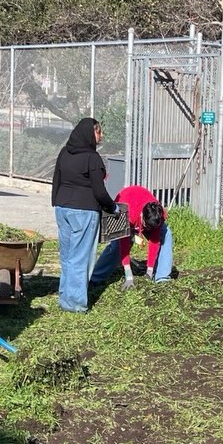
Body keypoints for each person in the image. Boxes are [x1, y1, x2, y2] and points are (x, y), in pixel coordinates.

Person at [52, 117, 117, 313]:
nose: (101, 135)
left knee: (67, 255)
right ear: (90, 133)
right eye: (99, 132)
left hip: (63, 209)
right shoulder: (92, 158)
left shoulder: (64, 153)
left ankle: (65, 296)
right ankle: (76, 303)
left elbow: (56, 179)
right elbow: (99, 191)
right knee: (81, 257)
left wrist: (56, 202)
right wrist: (112, 207)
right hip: (84, 211)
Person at [90, 185, 173, 290]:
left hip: (145, 215)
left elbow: (154, 242)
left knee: (166, 234)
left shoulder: (158, 216)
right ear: (142, 215)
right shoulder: (129, 214)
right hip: (122, 210)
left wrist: (149, 271)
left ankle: (162, 278)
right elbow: (123, 244)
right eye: (146, 226)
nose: (149, 229)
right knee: (116, 247)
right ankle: (95, 278)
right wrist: (128, 274)